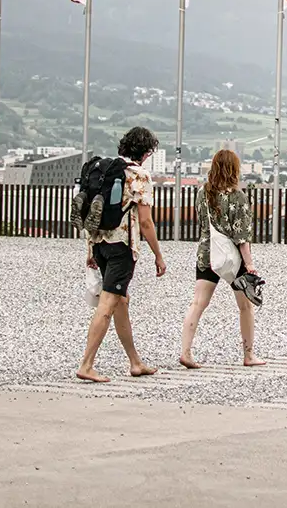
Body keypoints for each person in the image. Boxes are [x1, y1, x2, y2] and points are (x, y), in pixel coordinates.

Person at [76, 126, 167, 383]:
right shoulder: (139, 176)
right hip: (122, 248)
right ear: (147, 153)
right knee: (107, 304)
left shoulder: (105, 169)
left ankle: (135, 362)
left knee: (120, 302)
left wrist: (90, 249)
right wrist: (159, 256)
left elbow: (92, 214)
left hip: (100, 243)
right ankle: (86, 364)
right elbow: (146, 223)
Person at [180, 149, 265, 368]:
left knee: (198, 303)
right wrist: (250, 264)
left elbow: (202, 222)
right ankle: (248, 355)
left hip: (207, 253)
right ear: (234, 169)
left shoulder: (203, 192)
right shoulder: (237, 196)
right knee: (245, 307)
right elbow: (242, 235)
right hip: (231, 258)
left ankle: (186, 352)